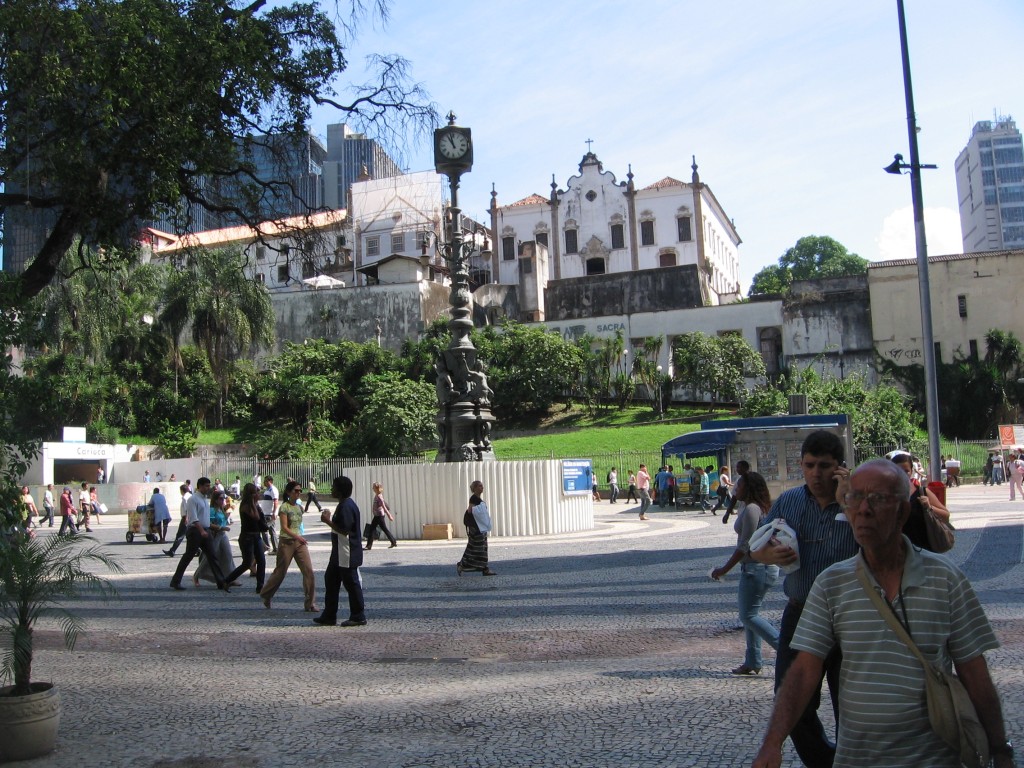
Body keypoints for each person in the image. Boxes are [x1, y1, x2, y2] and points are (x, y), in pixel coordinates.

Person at [752, 459, 1013, 768]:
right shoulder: (832, 584)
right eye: (855, 498)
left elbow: (974, 671)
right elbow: (804, 670)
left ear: (902, 511)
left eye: (878, 499)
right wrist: (772, 742)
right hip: (858, 760)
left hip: (934, 758)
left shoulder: (945, 579)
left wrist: (1000, 749)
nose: (864, 509)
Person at [749, 430, 856, 768]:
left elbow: (879, 546)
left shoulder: (857, 500)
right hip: (801, 612)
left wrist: (849, 501)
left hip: (849, 617)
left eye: (824, 466)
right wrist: (769, 555)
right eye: (809, 465)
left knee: (850, 704)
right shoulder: (790, 501)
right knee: (791, 701)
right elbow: (757, 548)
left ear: (840, 467)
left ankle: (851, 760)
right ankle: (825, 761)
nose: (816, 474)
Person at [712, 471, 780, 676]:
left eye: (739, 486)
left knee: (748, 615)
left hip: (758, 568)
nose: (735, 489)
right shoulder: (749, 506)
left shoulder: (752, 509)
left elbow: (744, 546)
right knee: (751, 615)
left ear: (748, 488)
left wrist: (723, 570)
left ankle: (787, 650)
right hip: (756, 567)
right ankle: (753, 661)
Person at [313, 476, 366, 627]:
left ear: (340, 490)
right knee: (331, 580)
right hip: (339, 553)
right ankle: (329, 615)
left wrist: (327, 521)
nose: (331, 489)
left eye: (334, 487)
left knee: (351, 584)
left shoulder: (346, 506)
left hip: (346, 552)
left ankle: (358, 616)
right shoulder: (344, 504)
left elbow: (344, 530)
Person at [260, 481, 317, 611]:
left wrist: (300, 537)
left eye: (300, 491)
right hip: (286, 542)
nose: (298, 493)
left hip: (300, 543)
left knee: (309, 572)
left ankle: (310, 603)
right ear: (288, 492)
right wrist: (297, 536)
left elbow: (298, 526)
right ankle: (266, 594)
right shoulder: (284, 507)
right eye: (295, 490)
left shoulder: (299, 507)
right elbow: (284, 528)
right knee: (280, 572)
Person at [169, 477, 229, 592]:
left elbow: (205, 519)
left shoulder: (204, 500)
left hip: (206, 530)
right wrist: (202, 531)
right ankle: (176, 581)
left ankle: (221, 582)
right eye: (206, 486)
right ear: (200, 486)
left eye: (208, 485)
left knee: (213, 556)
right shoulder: (193, 499)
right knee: (188, 556)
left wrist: (213, 528)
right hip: (196, 531)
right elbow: (194, 518)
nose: (208, 488)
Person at [888, 451, 952, 551]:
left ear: (912, 471)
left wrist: (929, 506)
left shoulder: (922, 492)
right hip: (896, 553)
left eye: (906, 471)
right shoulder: (885, 495)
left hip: (924, 552)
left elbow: (946, 516)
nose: (902, 474)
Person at [225, 483, 268, 593]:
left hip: (256, 536)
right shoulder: (246, 506)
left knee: (261, 561)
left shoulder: (255, 505)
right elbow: (256, 518)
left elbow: (261, 524)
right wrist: (257, 505)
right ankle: (227, 580)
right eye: (256, 492)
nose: (259, 494)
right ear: (251, 494)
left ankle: (260, 586)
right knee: (247, 564)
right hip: (247, 538)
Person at [194, 490, 239, 587]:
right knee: (208, 558)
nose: (222, 500)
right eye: (220, 498)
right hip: (214, 534)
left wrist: (228, 514)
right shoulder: (212, 510)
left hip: (223, 534)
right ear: (215, 499)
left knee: (227, 555)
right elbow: (208, 523)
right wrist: (220, 527)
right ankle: (196, 575)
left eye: (223, 498)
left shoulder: (221, 509)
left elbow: (223, 520)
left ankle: (230, 578)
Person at [457, 480, 495, 576]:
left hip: (480, 527)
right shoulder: (473, 498)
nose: (482, 487)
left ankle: (484, 568)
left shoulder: (478, 499)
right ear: (474, 488)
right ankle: (463, 564)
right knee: (475, 547)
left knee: (482, 547)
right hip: (476, 527)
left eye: (482, 486)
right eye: (479, 486)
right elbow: (470, 511)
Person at [365, 482, 398, 550]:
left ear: (377, 488)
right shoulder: (377, 495)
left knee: (373, 529)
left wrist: (389, 515)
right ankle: (393, 542)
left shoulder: (379, 496)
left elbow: (384, 506)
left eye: (373, 487)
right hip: (378, 515)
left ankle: (369, 545)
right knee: (379, 529)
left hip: (379, 516)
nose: (372, 488)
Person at [164, 483, 191, 557]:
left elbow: (187, 509)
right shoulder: (190, 496)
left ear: (182, 490)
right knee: (190, 535)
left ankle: (172, 550)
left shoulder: (185, 498)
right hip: (190, 518)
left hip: (185, 518)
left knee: (180, 535)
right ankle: (197, 550)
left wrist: (186, 518)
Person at [723, 459, 751, 524]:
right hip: (742, 509)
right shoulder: (738, 481)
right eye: (737, 467)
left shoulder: (753, 479)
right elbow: (734, 498)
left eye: (739, 467)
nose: (737, 469)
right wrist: (727, 513)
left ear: (745, 468)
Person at [261, 476, 280, 555]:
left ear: (270, 481)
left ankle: (274, 548)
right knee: (265, 531)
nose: (264, 482)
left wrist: (274, 512)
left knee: (270, 531)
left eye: (266, 481)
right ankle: (269, 547)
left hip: (269, 514)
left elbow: (275, 501)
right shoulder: (268, 490)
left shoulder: (273, 489)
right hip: (265, 513)